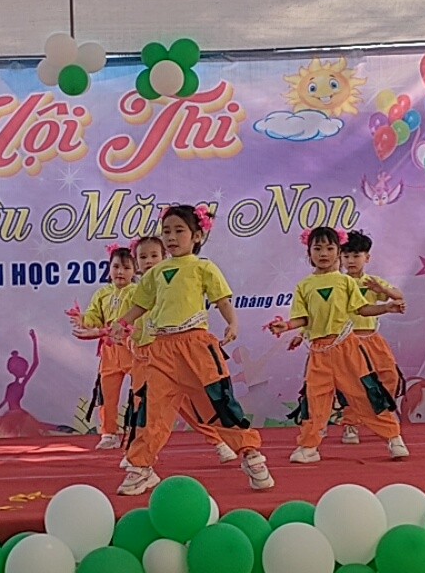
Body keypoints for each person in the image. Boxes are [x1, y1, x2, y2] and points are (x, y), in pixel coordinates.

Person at [111, 204, 273, 495]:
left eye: (179, 231)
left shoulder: (203, 267)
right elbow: (141, 304)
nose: (171, 237)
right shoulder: (155, 273)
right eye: (166, 231)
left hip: (196, 348)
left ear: (197, 236)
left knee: (219, 404)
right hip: (161, 351)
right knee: (153, 411)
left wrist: (232, 323)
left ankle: (250, 454)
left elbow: (222, 300)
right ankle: (141, 467)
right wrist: (122, 323)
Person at [269, 227, 409, 464]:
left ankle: (393, 437)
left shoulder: (345, 282)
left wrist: (386, 307)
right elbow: (303, 318)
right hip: (319, 353)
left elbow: (362, 309)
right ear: (309, 253)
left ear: (337, 252)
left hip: (347, 349)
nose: (323, 253)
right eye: (317, 248)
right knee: (315, 399)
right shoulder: (304, 285)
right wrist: (287, 326)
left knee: (365, 394)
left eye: (329, 248)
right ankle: (309, 446)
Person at [118, 236, 235, 468]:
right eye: (143, 257)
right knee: (144, 408)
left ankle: (220, 442)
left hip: (174, 356)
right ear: (136, 263)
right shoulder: (136, 293)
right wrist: (119, 333)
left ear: (165, 257)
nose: (149, 261)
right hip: (146, 359)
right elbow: (125, 322)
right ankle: (139, 456)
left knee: (194, 405)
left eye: (154, 256)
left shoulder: (176, 283)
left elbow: (217, 303)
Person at [337, 230, 406, 444]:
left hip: (372, 339)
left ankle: (381, 415)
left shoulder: (372, 282)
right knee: (353, 384)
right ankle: (351, 424)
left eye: (356, 255)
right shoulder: (338, 282)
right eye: (346, 256)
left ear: (367, 257)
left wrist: (380, 289)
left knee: (389, 376)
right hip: (348, 340)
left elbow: (399, 296)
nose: (351, 260)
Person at [70, 244, 137, 450]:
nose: (120, 272)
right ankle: (109, 433)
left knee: (140, 394)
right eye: (116, 267)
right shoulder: (102, 293)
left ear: (135, 270)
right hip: (109, 351)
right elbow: (95, 317)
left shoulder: (137, 293)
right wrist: (83, 320)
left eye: (126, 268)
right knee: (108, 394)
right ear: (109, 268)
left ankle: (138, 432)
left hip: (133, 349)